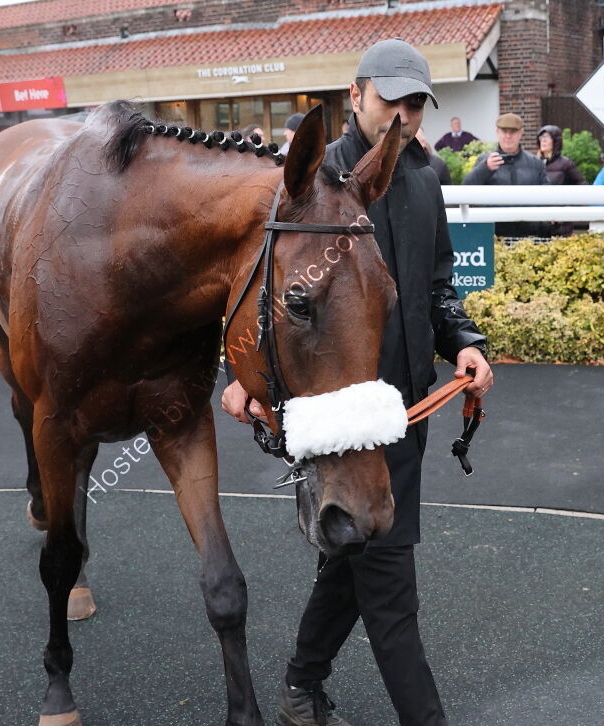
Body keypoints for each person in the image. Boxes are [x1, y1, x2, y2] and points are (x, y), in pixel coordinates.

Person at [222, 38, 491, 726]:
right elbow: (253, 296)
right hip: (342, 420)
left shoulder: (425, 181)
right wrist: (236, 374)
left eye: (415, 102)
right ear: (357, 95)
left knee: (352, 555)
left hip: (409, 416)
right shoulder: (308, 183)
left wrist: (465, 344)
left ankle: (299, 688)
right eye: (390, 98)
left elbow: (436, 290)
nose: (402, 113)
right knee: (391, 585)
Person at [463, 112, 551, 238]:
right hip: (494, 233)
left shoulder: (535, 163)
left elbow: (547, 195)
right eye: (504, 131)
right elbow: (467, 189)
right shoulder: (485, 161)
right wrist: (485, 168)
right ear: (497, 132)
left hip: (529, 233)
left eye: (513, 132)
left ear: (521, 133)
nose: (508, 136)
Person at [536, 124, 584, 236]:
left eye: (547, 137)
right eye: (541, 137)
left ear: (555, 141)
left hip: (560, 226)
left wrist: (564, 212)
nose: (543, 140)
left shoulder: (566, 164)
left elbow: (582, 189)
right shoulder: (534, 163)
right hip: (538, 223)